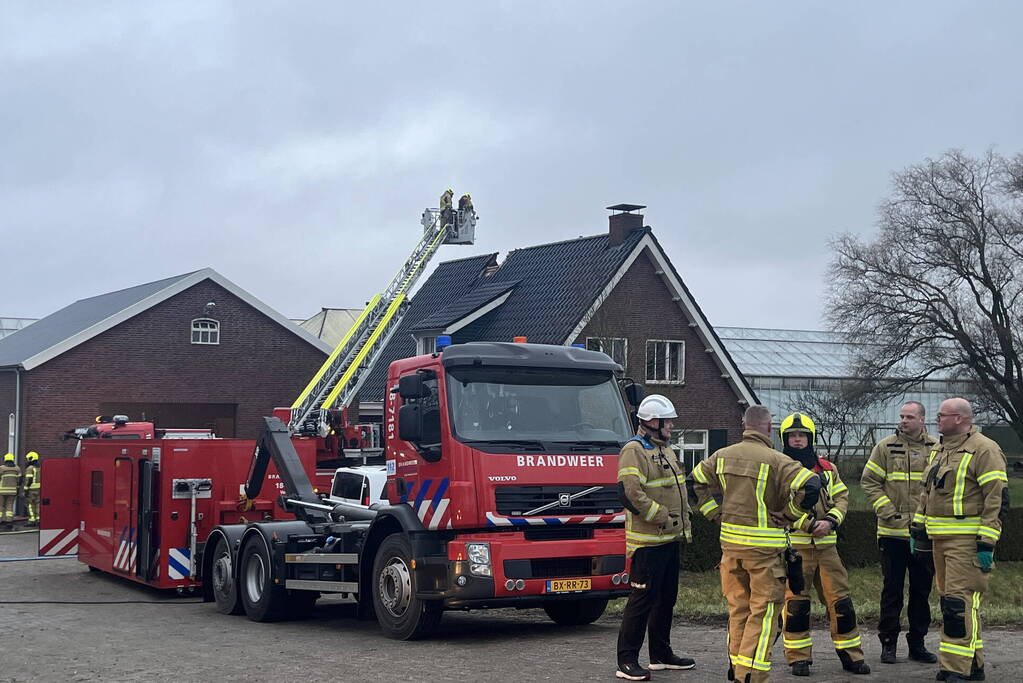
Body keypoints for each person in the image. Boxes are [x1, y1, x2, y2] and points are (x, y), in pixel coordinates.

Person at [692, 405, 822, 683]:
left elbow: (695, 482)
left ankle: (736, 666)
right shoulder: (777, 460)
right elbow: (811, 485)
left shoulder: (721, 456)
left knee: (738, 609)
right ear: (769, 428)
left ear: (743, 426)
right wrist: (790, 515)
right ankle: (750, 675)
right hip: (765, 553)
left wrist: (714, 514)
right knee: (763, 616)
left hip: (730, 549)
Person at [911, 398, 1008, 683]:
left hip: (965, 540)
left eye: (942, 415)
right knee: (956, 604)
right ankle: (972, 664)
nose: (937, 419)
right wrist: (918, 529)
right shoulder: (939, 450)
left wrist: (986, 542)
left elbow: (996, 498)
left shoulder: (984, 449)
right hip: (939, 539)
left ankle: (955, 668)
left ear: (960, 419)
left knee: (957, 604)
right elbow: (927, 494)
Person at [777, 413, 870, 676]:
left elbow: (842, 498)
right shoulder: (778, 468)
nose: (797, 440)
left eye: (802, 435)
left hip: (828, 547)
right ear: (785, 439)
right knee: (796, 605)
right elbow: (777, 507)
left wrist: (830, 521)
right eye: (793, 436)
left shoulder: (828, 468)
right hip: (795, 549)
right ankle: (798, 658)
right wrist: (807, 525)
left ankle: (851, 656)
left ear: (811, 438)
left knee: (841, 603)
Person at [615, 394, 695, 681]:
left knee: (666, 599)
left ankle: (660, 655)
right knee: (641, 601)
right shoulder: (633, 450)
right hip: (647, 543)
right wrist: (660, 514)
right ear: (651, 422)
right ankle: (626, 660)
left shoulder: (665, 449)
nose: (671, 425)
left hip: (670, 539)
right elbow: (629, 493)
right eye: (667, 421)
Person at [861, 401, 938, 664]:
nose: (904, 420)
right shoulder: (885, 447)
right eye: (902, 416)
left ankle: (917, 644)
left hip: (923, 534)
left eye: (910, 416)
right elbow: (869, 481)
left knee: (921, 592)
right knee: (891, 590)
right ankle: (888, 644)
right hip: (892, 533)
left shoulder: (936, 449)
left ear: (922, 419)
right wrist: (887, 511)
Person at [0, 452, 21, 529]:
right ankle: (9, 521)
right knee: (9, 506)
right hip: (12, 491)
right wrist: (18, 488)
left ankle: (1, 521)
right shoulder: (17, 468)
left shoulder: (1, 468)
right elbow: (20, 480)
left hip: (1, 491)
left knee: (0, 506)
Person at [22, 451, 41, 526]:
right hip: (39, 489)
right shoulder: (39, 467)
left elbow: (29, 479)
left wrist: (26, 489)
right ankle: (38, 519)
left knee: (30, 505)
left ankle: (31, 520)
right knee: (38, 505)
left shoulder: (30, 468)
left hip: (31, 490)